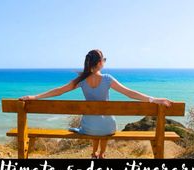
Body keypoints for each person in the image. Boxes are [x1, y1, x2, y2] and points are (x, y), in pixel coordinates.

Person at [20, 49, 172, 158]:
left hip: (89, 128)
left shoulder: (82, 80)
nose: (104, 62)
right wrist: (154, 99)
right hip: (108, 127)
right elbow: (129, 93)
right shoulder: (107, 79)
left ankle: (94, 153)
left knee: (93, 121)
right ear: (99, 63)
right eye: (104, 60)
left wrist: (35, 97)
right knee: (103, 122)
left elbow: (59, 90)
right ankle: (102, 154)